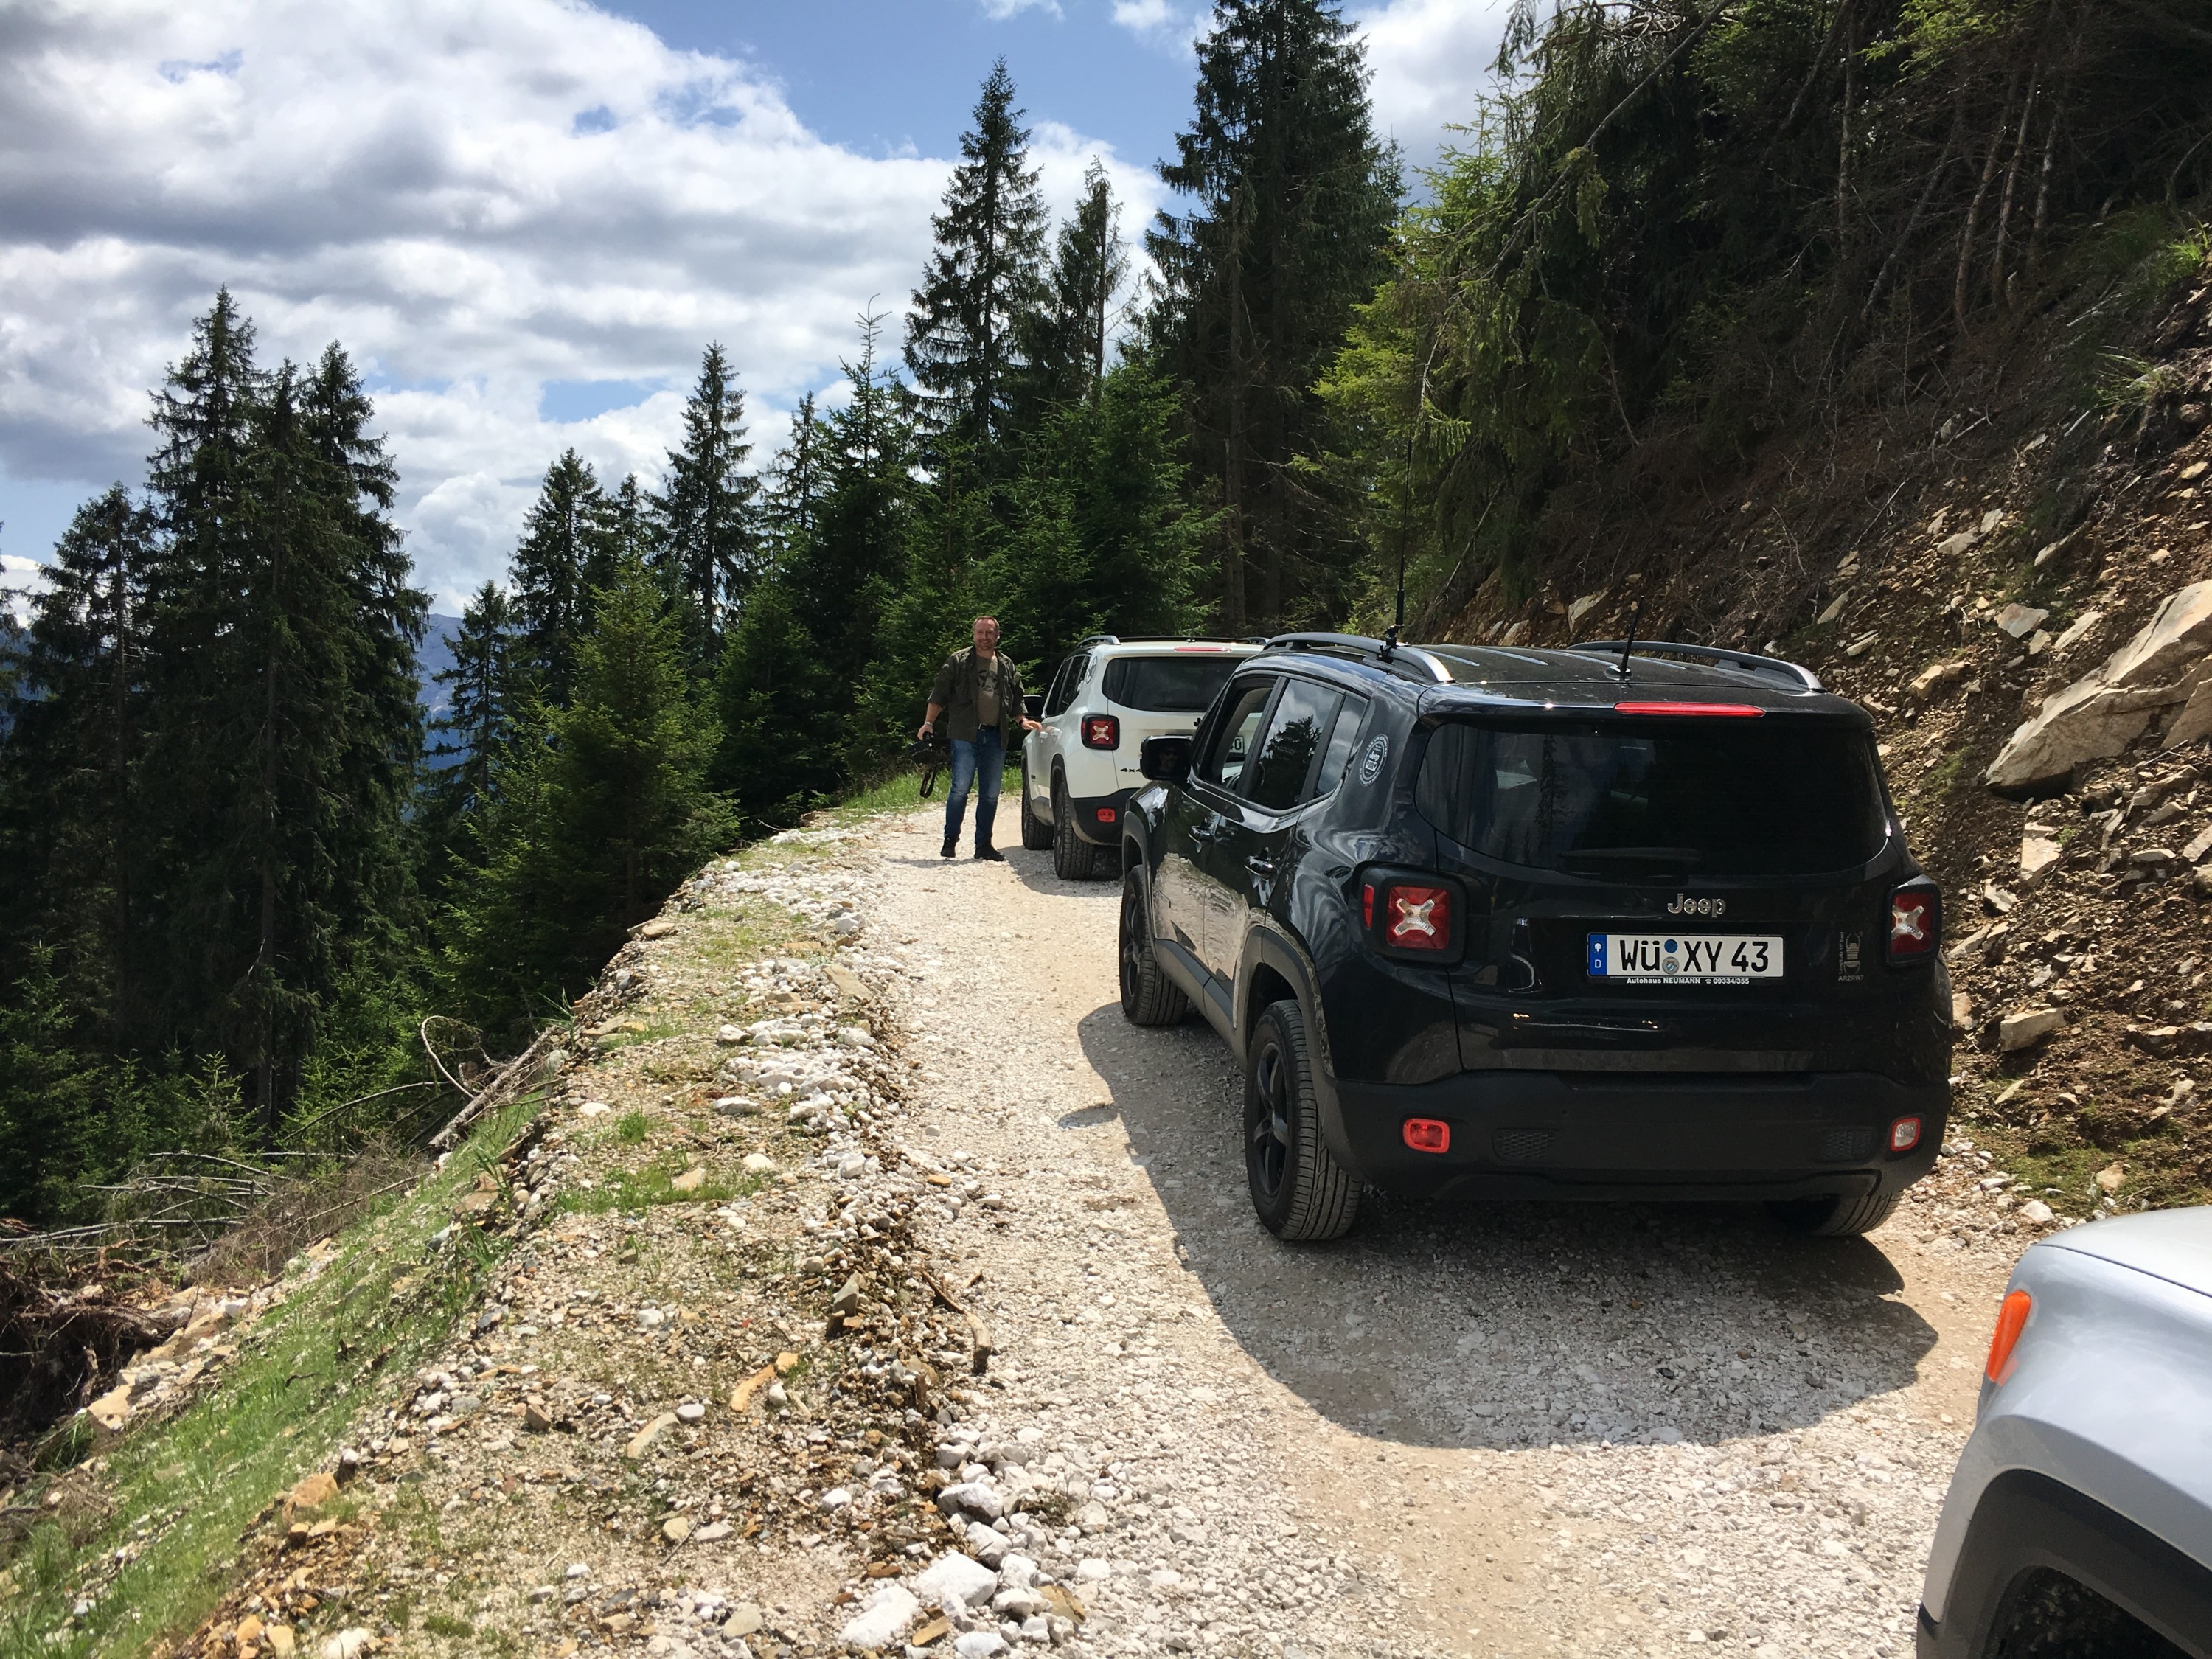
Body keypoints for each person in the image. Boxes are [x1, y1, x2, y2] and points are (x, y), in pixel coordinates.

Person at [920, 616, 1041, 860]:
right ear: (973, 635)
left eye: (989, 633)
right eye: (980, 632)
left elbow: (1016, 698)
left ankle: (983, 845)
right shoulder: (959, 661)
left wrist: (1022, 720)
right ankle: (950, 841)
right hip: (965, 735)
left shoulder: (1006, 664)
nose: (984, 637)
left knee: (990, 793)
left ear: (997, 636)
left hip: (996, 735)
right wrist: (928, 723)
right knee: (960, 789)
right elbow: (939, 693)